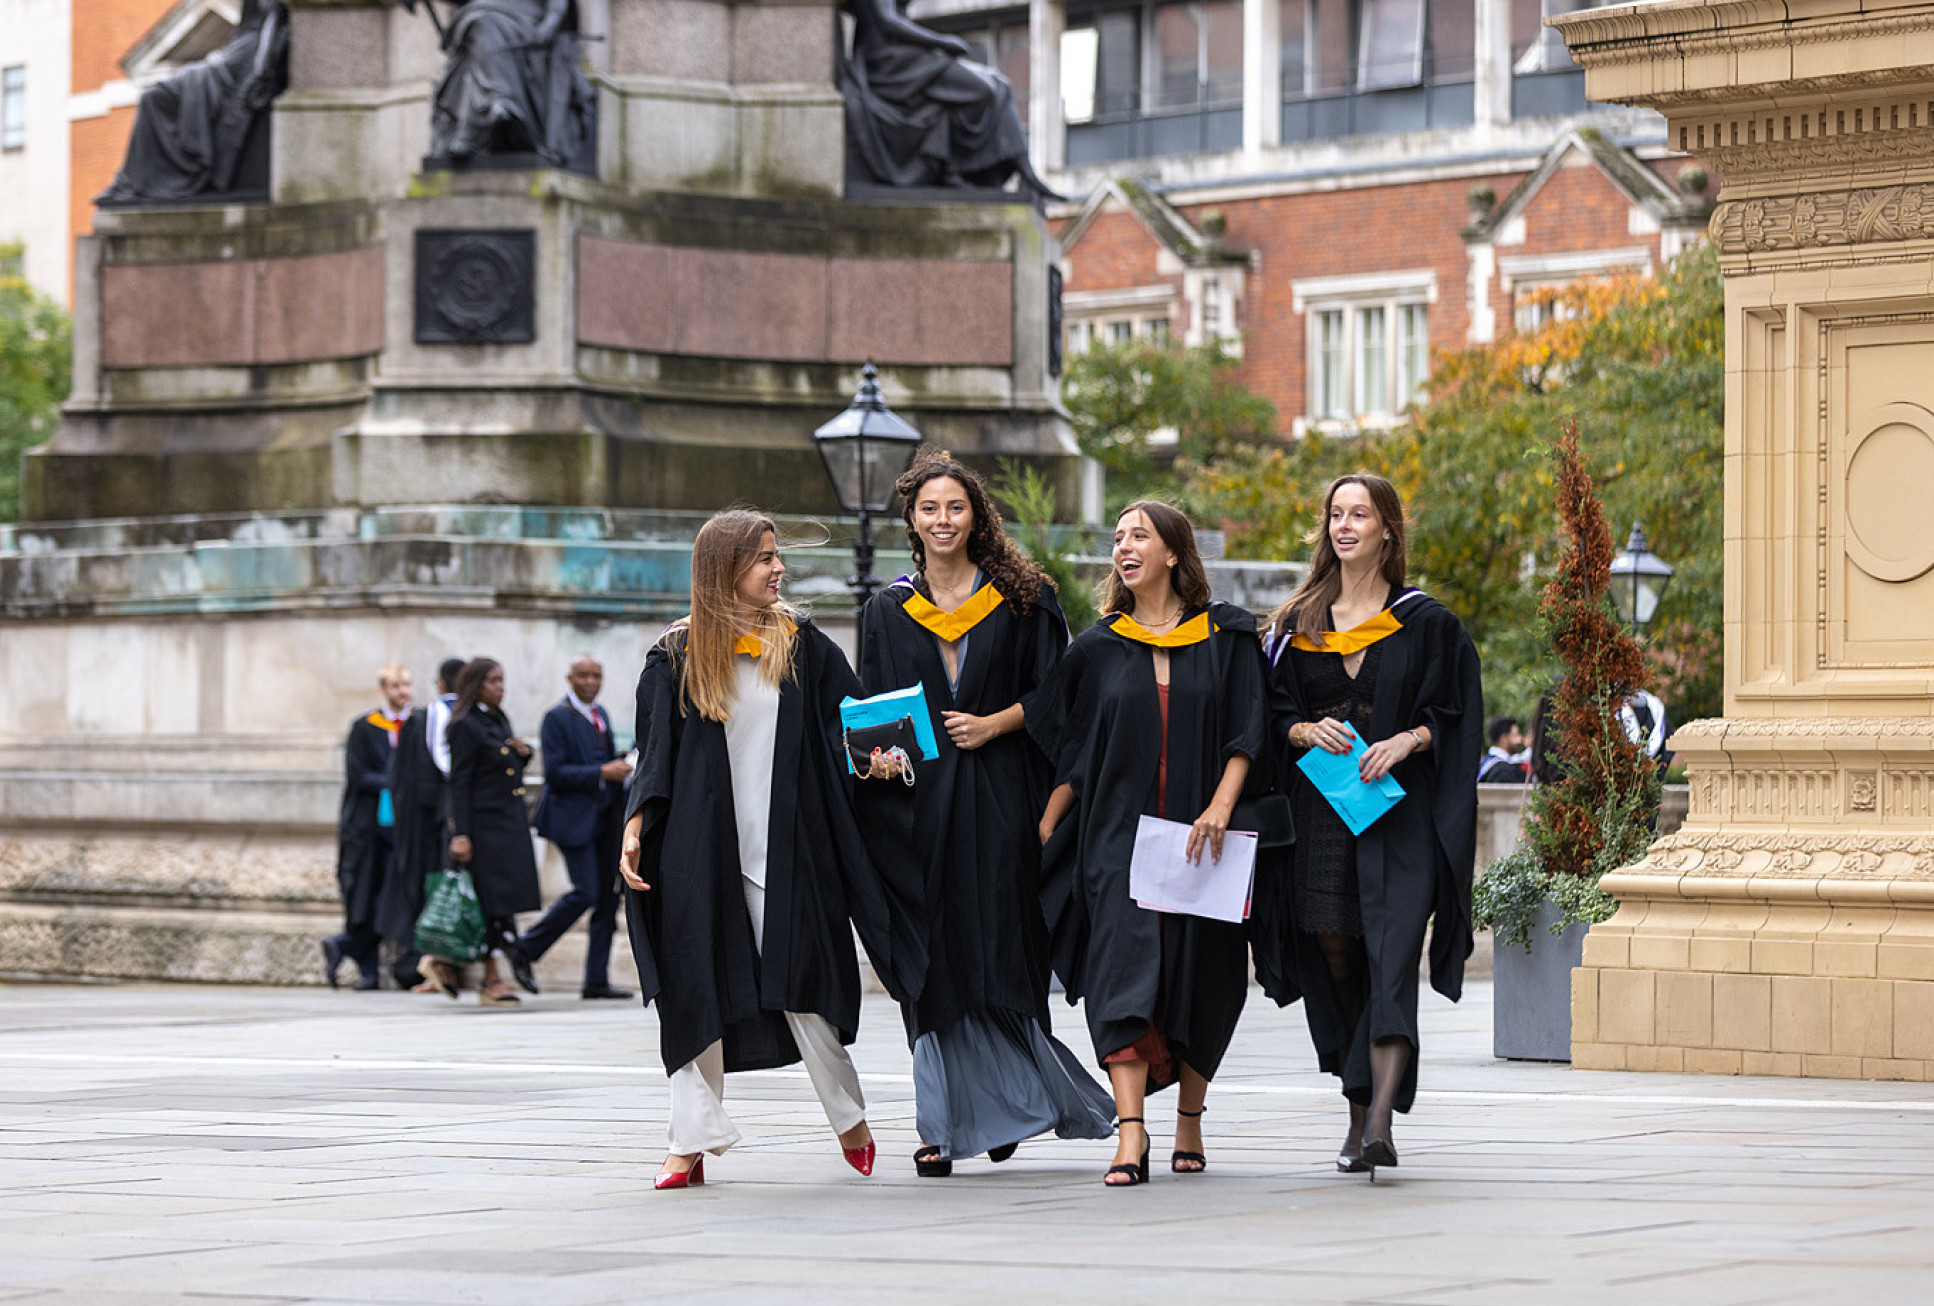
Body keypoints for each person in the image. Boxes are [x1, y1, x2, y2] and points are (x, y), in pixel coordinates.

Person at [618, 510, 923, 1190]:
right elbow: (654, 761)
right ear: (724, 570)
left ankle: (851, 1121)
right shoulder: (674, 656)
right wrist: (635, 826)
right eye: (762, 558)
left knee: (807, 990)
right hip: (700, 857)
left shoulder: (804, 646)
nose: (777, 568)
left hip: (789, 850)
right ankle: (687, 1143)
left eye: (776, 556)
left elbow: (857, 724)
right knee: (693, 991)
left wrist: (885, 754)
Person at [857, 451, 1113, 1178]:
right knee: (933, 957)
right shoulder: (885, 609)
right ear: (911, 519)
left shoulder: (1023, 600)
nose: (942, 520)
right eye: (929, 509)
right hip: (922, 806)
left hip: (1002, 797)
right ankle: (941, 1122)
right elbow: (874, 712)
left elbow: (1060, 699)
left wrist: (994, 723)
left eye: (955, 507)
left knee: (1003, 947)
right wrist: (875, 757)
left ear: (977, 517)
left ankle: (1011, 1102)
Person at [1030, 501, 1270, 1187]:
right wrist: (1046, 826)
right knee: (1118, 978)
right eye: (1117, 538)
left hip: (1205, 844)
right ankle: (1129, 1133)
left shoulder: (1227, 638)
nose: (1123, 546)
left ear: (1173, 552)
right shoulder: (1097, 648)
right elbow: (1069, 752)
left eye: (1139, 535)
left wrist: (1222, 807)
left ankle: (1189, 1116)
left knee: (1208, 980)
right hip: (1119, 844)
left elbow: (1248, 731)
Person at [1259, 473, 1482, 1177]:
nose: (1345, 525)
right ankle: (1357, 1105)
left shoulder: (1427, 624)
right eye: (1336, 514)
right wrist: (1299, 731)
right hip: (1321, 819)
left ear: (1388, 528)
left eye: (1361, 514)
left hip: (1398, 818)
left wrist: (1409, 740)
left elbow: (1455, 715)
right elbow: (1264, 713)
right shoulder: (1296, 624)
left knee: (1390, 958)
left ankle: (1379, 1123)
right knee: (1335, 955)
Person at [518, 655, 635, 1000]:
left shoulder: (600, 715)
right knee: (585, 891)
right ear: (570, 678)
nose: (590, 682)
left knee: (606, 898)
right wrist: (602, 772)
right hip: (571, 819)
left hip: (603, 818)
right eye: (583, 675)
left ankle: (596, 979)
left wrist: (623, 763)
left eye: (596, 675)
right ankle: (525, 948)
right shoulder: (557, 718)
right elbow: (555, 772)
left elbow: (603, 759)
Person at [443, 658, 544, 1007]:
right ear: (476, 685)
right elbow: (460, 784)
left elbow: (505, 768)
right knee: (489, 903)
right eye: (492, 681)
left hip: (509, 822)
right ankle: (490, 977)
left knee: (507, 900)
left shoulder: (497, 718)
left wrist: (523, 753)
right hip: (484, 828)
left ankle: (447, 963)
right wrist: (461, 833)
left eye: (502, 680)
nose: (500, 687)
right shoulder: (464, 726)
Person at [378, 657, 465, 995]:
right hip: (427, 828)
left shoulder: (427, 720)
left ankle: (442, 965)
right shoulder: (422, 722)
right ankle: (436, 966)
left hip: (433, 826)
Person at [324, 664, 412, 989]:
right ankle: (367, 967)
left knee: (390, 896)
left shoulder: (415, 725)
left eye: (406, 685)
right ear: (383, 690)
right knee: (365, 895)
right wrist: (398, 782)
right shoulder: (365, 727)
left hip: (401, 829)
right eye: (395, 686)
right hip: (368, 829)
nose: (402, 691)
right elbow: (358, 774)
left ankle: (346, 947)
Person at [1478, 717, 1531, 784]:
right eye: (1516, 735)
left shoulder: (1485, 763)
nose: (1520, 740)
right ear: (1504, 739)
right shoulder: (1502, 771)